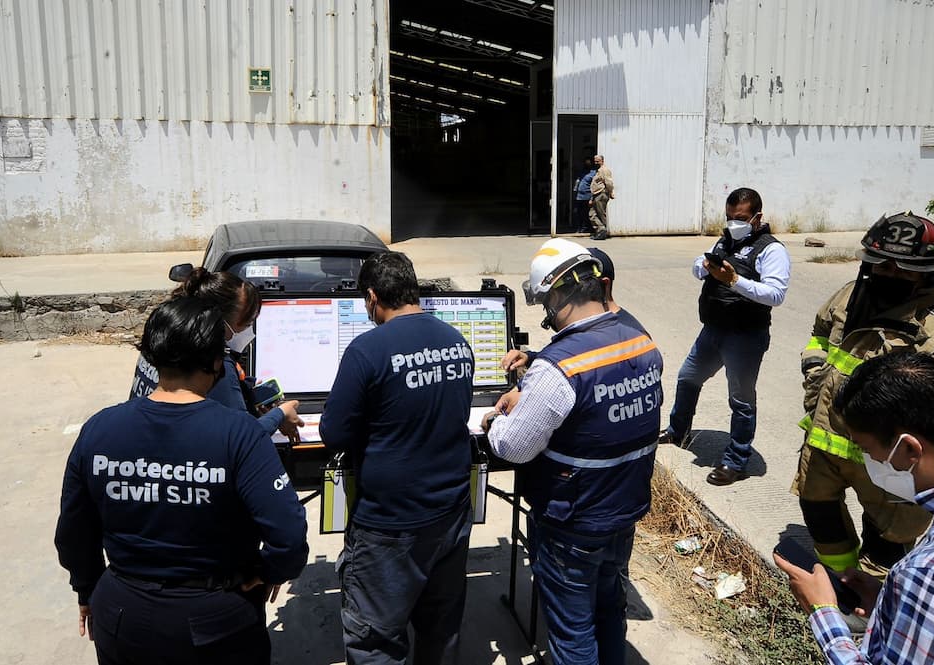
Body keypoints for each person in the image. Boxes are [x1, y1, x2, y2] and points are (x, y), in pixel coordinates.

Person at [55, 297, 309, 665]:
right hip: (218, 621)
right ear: (215, 361)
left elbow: (73, 533)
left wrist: (87, 589)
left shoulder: (99, 428)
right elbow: (287, 534)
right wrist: (269, 571)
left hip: (121, 614)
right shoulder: (239, 434)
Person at [482, 238, 663, 665]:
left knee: (572, 631)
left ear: (559, 293)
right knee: (608, 611)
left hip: (573, 519)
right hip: (623, 510)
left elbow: (514, 447)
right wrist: (534, 381)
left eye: (546, 301)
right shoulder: (640, 340)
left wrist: (494, 422)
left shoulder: (557, 367)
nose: (547, 312)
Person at [793, 213, 934, 575]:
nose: (892, 275)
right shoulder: (849, 298)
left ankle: (873, 599)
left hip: (887, 462)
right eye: (883, 266)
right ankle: (841, 577)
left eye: (905, 269)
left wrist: (902, 427)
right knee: (818, 510)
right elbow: (820, 334)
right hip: (825, 444)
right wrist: (814, 373)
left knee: (889, 535)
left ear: (927, 271)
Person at [775, 352, 934, 664]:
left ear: (908, 448)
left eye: (867, 451)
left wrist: (823, 612)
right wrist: (895, 605)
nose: (870, 464)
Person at [319, 251, 475, 665]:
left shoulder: (366, 350)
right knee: (440, 630)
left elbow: (333, 434)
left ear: (372, 298)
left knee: (375, 640)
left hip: (390, 524)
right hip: (451, 513)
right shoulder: (457, 341)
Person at [660, 187, 791, 486]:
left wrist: (734, 280)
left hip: (745, 337)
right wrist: (704, 267)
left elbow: (775, 294)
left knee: (741, 401)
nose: (734, 223)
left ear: (757, 217)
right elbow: (697, 266)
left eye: (741, 218)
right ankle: (678, 432)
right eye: (730, 217)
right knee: (687, 378)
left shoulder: (772, 250)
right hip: (714, 330)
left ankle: (735, 461)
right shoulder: (726, 240)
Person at [129, 268, 303, 442]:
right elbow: (241, 437)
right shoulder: (213, 366)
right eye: (247, 324)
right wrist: (280, 415)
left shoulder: (159, 339)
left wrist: (243, 389)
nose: (250, 332)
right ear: (220, 323)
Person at [500, 246, 647, 374]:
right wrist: (531, 357)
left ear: (602, 285)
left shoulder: (629, 334)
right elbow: (575, 354)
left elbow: (593, 368)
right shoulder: (595, 326)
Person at [588, 154, 614, 241]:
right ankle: (601, 230)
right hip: (596, 194)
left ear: (602, 161)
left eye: (597, 161)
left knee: (600, 214)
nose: (596, 162)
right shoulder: (598, 171)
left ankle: (602, 232)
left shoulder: (604, 170)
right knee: (592, 214)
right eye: (595, 161)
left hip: (601, 194)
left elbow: (609, 183)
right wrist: (592, 198)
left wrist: (610, 193)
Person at [573, 156, 596, 233]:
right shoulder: (581, 172)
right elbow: (577, 182)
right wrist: (575, 191)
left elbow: (595, 186)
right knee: (578, 213)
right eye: (586, 162)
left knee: (587, 213)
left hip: (588, 196)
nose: (587, 164)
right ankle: (579, 227)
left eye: (588, 162)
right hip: (579, 196)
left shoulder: (593, 173)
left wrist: (592, 198)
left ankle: (588, 228)